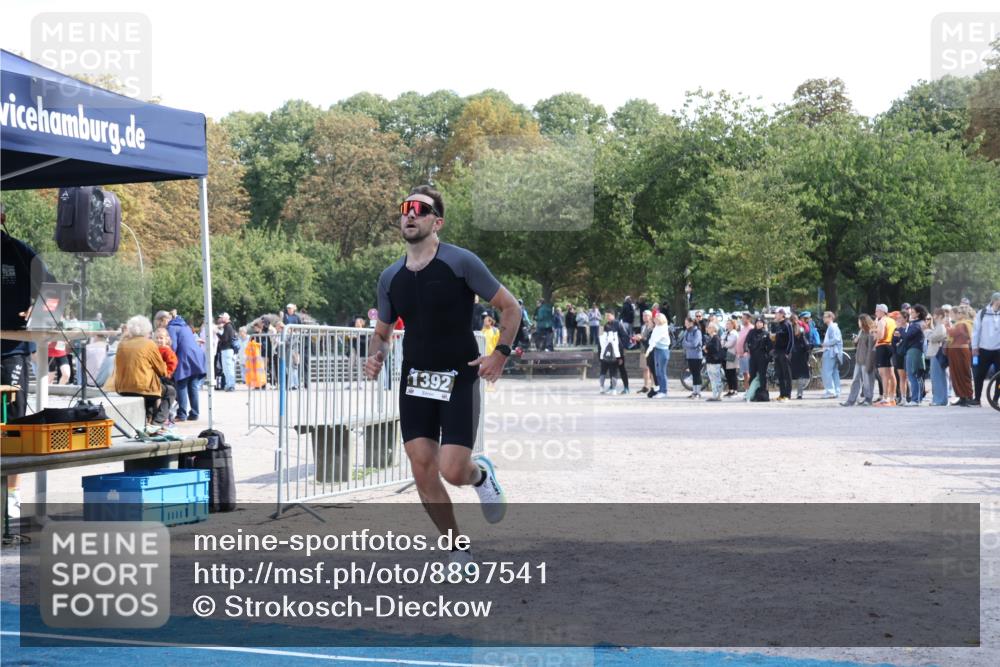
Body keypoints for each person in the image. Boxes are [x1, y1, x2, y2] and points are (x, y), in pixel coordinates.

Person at [365, 185, 517, 570]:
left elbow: (510, 307)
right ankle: (457, 550)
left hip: (458, 375)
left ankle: (480, 476)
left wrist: (499, 354)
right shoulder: (390, 277)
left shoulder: (460, 262)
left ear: (437, 222)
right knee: (421, 467)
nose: (410, 214)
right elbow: (382, 333)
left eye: (420, 209)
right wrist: (375, 356)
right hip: (416, 379)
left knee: (453, 470)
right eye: (405, 208)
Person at [1, 203, 54, 518]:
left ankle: (12, 495)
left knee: (14, 424)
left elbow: (53, 287)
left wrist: (39, 309)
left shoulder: (17, 251)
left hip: (13, 352)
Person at [115, 315, 169, 432]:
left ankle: (148, 420)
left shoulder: (122, 344)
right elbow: (162, 371)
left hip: (123, 388)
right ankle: (157, 423)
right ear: (146, 329)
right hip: (142, 388)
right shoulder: (149, 344)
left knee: (151, 390)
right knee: (170, 391)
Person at [157, 310, 207, 422]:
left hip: (185, 358)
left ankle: (182, 414)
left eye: (160, 323)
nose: (160, 325)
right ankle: (194, 413)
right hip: (197, 357)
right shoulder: (184, 326)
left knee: (181, 385)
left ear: (164, 320)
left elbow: (173, 347)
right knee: (193, 386)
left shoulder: (171, 328)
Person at [971, 292, 1000, 407]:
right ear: (995, 300)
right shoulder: (983, 313)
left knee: (999, 378)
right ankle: (977, 399)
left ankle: (996, 399)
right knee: (979, 375)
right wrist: (974, 347)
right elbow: (976, 331)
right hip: (984, 349)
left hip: (998, 350)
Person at [842, 314, 876, 406]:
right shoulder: (861, 331)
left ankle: (868, 399)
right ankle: (851, 400)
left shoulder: (871, 333)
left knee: (867, 381)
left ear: (863, 322)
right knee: (855, 380)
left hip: (866, 360)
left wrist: (869, 362)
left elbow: (870, 349)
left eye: (859, 321)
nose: (858, 323)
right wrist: (856, 340)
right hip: (859, 359)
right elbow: (858, 344)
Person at [946, 305, 975, 406]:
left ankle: (967, 396)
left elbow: (954, 333)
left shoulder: (964, 324)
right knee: (956, 374)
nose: (957, 314)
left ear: (963, 314)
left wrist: (947, 327)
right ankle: (962, 396)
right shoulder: (960, 323)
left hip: (960, 350)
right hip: (956, 350)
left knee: (962, 373)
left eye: (959, 312)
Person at [873, 304, 897, 407]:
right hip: (890, 346)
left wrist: (875, 331)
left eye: (877, 311)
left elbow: (880, 335)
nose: (875, 313)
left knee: (883, 374)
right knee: (891, 373)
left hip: (882, 346)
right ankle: (892, 398)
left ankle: (885, 398)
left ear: (882, 311)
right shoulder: (892, 321)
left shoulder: (881, 321)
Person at [153, 327, 179, 425]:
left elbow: (173, 363)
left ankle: (165, 417)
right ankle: (159, 417)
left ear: (167, 339)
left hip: (165, 378)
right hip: (156, 377)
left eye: (161, 338)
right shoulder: (154, 350)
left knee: (164, 397)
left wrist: (167, 373)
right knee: (158, 398)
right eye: (157, 338)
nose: (159, 340)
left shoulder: (167, 351)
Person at [925, 308, 950, 407]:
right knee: (938, 377)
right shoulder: (938, 326)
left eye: (935, 315)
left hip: (936, 353)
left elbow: (932, 338)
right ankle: (941, 399)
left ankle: (939, 400)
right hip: (935, 353)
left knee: (937, 378)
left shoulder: (941, 327)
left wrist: (926, 331)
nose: (933, 316)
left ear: (940, 316)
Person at [745, 317, 772, 402]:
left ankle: (762, 394)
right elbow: (746, 342)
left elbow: (770, 346)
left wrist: (769, 356)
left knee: (762, 376)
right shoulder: (751, 332)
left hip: (762, 357)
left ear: (763, 324)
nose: (759, 324)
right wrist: (746, 350)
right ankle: (752, 393)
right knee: (752, 375)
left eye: (761, 322)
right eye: (757, 322)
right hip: (753, 356)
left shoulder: (766, 333)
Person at [645, 313, 671, 398]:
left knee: (662, 372)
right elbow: (652, 338)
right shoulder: (657, 327)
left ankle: (664, 391)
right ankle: (660, 389)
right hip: (656, 349)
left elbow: (656, 339)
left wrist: (649, 349)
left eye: (656, 318)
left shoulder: (663, 328)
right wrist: (650, 347)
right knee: (657, 372)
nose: (654, 320)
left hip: (663, 350)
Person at [598, 316, 625, 395]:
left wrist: (600, 356)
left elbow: (599, 346)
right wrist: (620, 357)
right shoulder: (615, 335)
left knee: (603, 372)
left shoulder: (601, 336)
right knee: (614, 372)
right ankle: (613, 389)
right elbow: (619, 346)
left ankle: (601, 388)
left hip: (604, 356)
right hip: (614, 356)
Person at [771, 308, 794, 401]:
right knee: (779, 374)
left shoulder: (787, 324)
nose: (775, 315)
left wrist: (788, 352)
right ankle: (782, 394)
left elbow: (791, 340)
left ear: (781, 314)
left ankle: (787, 395)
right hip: (777, 352)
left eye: (776, 313)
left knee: (786, 374)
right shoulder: (777, 325)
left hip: (784, 352)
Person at [820, 311, 843, 399]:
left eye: (825, 317)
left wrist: (825, 344)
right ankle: (836, 391)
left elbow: (836, 339)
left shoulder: (832, 327)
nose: (823, 318)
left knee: (827, 372)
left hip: (830, 352)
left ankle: (830, 391)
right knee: (834, 372)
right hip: (834, 352)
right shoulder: (833, 327)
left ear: (830, 318)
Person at [790, 313, 812, 400]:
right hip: (801, 353)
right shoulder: (801, 329)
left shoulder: (789, 329)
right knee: (800, 376)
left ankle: (788, 393)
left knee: (790, 374)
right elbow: (805, 341)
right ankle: (799, 394)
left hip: (792, 353)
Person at [681, 316, 704, 399]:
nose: (685, 324)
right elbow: (683, 343)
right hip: (689, 356)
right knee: (693, 374)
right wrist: (688, 344)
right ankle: (694, 392)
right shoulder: (687, 332)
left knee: (697, 374)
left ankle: (698, 392)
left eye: (686, 323)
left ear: (691, 323)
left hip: (697, 356)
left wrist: (687, 344)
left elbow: (694, 344)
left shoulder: (697, 332)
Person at [703, 322, 725, 401]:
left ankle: (718, 395)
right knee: (712, 379)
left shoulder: (716, 338)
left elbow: (715, 349)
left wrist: (706, 348)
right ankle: (715, 395)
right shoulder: (711, 338)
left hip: (714, 361)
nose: (707, 329)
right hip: (710, 361)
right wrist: (706, 349)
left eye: (709, 327)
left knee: (716, 378)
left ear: (713, 329)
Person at [216, 312, 237, 392]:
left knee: (228, 369)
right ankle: (229, 384)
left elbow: (225, 338)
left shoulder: (228, 326)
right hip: (227, 350)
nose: (221, 319)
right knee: (227, 369)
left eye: (222, 317)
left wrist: (217, 333)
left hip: (227, 350)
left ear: (226, 318)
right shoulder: (229, 326)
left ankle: (230, 385)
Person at [243, 323, 267, 390]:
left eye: (256, 327)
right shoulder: (253, 335)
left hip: (261, 354)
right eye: (254, 328)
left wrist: (258, 345)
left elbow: (265, 344)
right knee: (255, 370)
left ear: (259, 327)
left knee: (262, 370)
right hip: (254, 355)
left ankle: (263, 384)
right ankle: (257, 384)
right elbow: (250, 343)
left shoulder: (264, 334)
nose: (255, 329)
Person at [637, 310, 656, 394]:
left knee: (651, 369)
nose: (644, 317)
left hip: (649, 349)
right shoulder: (643, 326)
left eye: (646, 315)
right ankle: (645, 386)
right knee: (644, 368)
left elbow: (649, 338)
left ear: (650, 316)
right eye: (643, 316)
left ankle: (653, 386)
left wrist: (641, 338)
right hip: (643, 349)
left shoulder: (653, 326)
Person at [480, 315, 501, 392]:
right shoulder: (483, 331)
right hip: (485, 354)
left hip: (493, 353)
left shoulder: (495, 330)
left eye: (486, 321)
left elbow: (498, 342)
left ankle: (493, 385)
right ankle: (488, 385)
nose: (484, 323)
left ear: (490, 322)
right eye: (484, 321)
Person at [722, 318, 740, 396]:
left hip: (731, 353)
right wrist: (724, 343)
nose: (727, 325)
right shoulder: (725, 333)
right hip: (724, 353)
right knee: (727, 373)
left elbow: (730, 344)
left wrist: (724, 343)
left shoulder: (734, 333)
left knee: (732, 372)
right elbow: (721, 341)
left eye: (729, 323)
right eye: (727, 323)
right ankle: (730, 389)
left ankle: (735, 390)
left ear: (733, 325)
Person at [736, 312, 753, 390]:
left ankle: (749, 390)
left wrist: (747, 351)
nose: (742, 320)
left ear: (748, 319)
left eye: (743, 318)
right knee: (744, 373)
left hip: (747, 354)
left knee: (748, 373)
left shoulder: (751, 328)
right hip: (740, 354)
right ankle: (746, 390)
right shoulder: (743, 328)